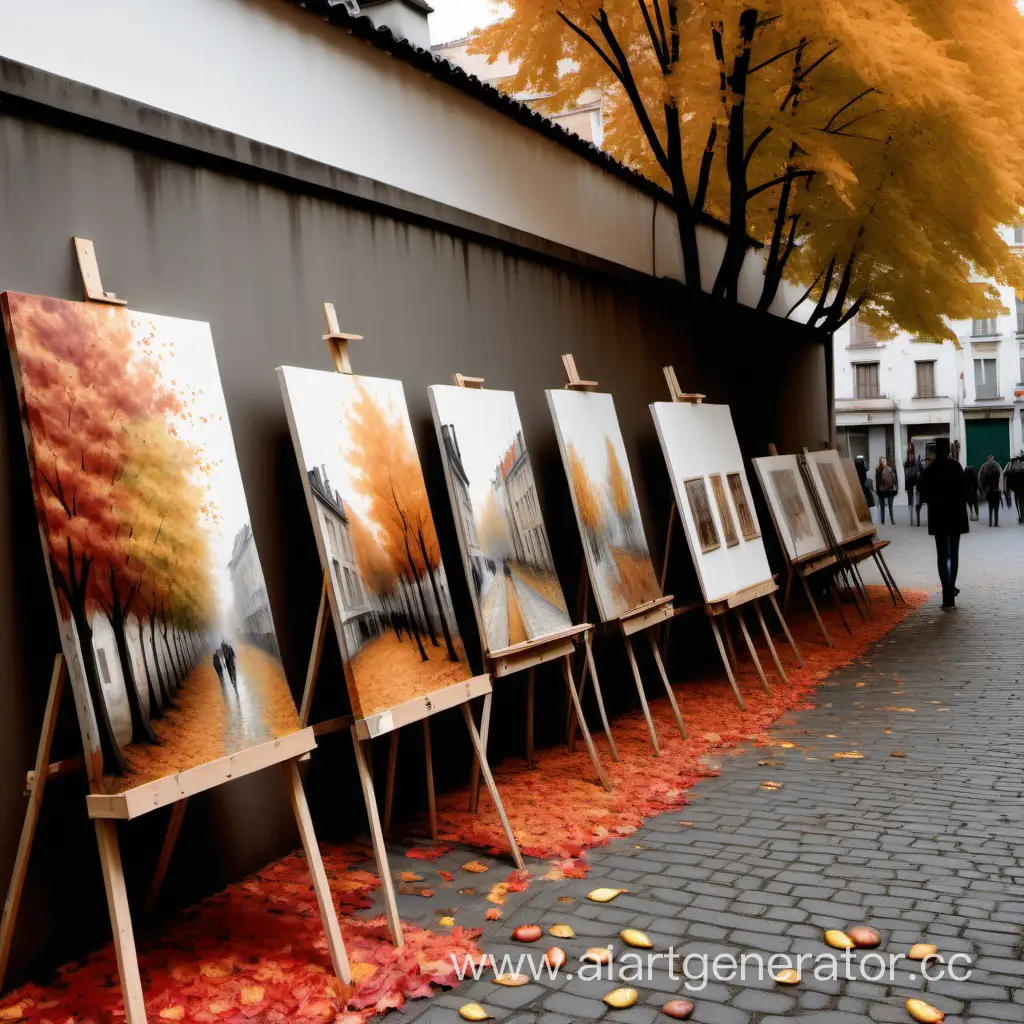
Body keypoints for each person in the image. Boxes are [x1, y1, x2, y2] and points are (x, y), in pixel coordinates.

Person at [920, 437, 968, 609]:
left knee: (942, 555)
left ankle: (946, 590)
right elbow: (964, 492)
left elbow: (924, 496)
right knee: (954, 554)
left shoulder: (930, 470)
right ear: (948, 450)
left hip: (939, 518)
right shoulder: (956, 467)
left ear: (935, 451)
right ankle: (950, 589)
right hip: (955, 517)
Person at [978, 454, 1003, 526]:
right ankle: (996, 522)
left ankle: (990, 522)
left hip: (989, 490)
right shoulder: (997, 466)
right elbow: (1001, 477)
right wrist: (1001, 488)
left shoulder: (985, 466)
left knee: (990, 506)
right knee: (996, 507)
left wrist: (983, 488)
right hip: (996, 490)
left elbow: (981, 477)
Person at [875, 456, 898, 525]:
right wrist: (877, 490)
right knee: (882, 506)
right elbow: (877, 481)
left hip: (889, 490)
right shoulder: (878, 470)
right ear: (880, 462)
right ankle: (882, 521)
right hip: (881, 490)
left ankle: (892, 520)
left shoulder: (889, 469)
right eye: (882, 461)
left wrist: (894, 487)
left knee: (890, 506)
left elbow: (894, 479)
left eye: (884, 461)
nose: (883, 463)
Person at [904, 444, 920, 523]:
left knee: (916, 499)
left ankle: (915, 517)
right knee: (910, 500)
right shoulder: (907, 460)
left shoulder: (916, 460)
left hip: (914, 480)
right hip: (909, 481)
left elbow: (918, 470)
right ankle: (911, 518)